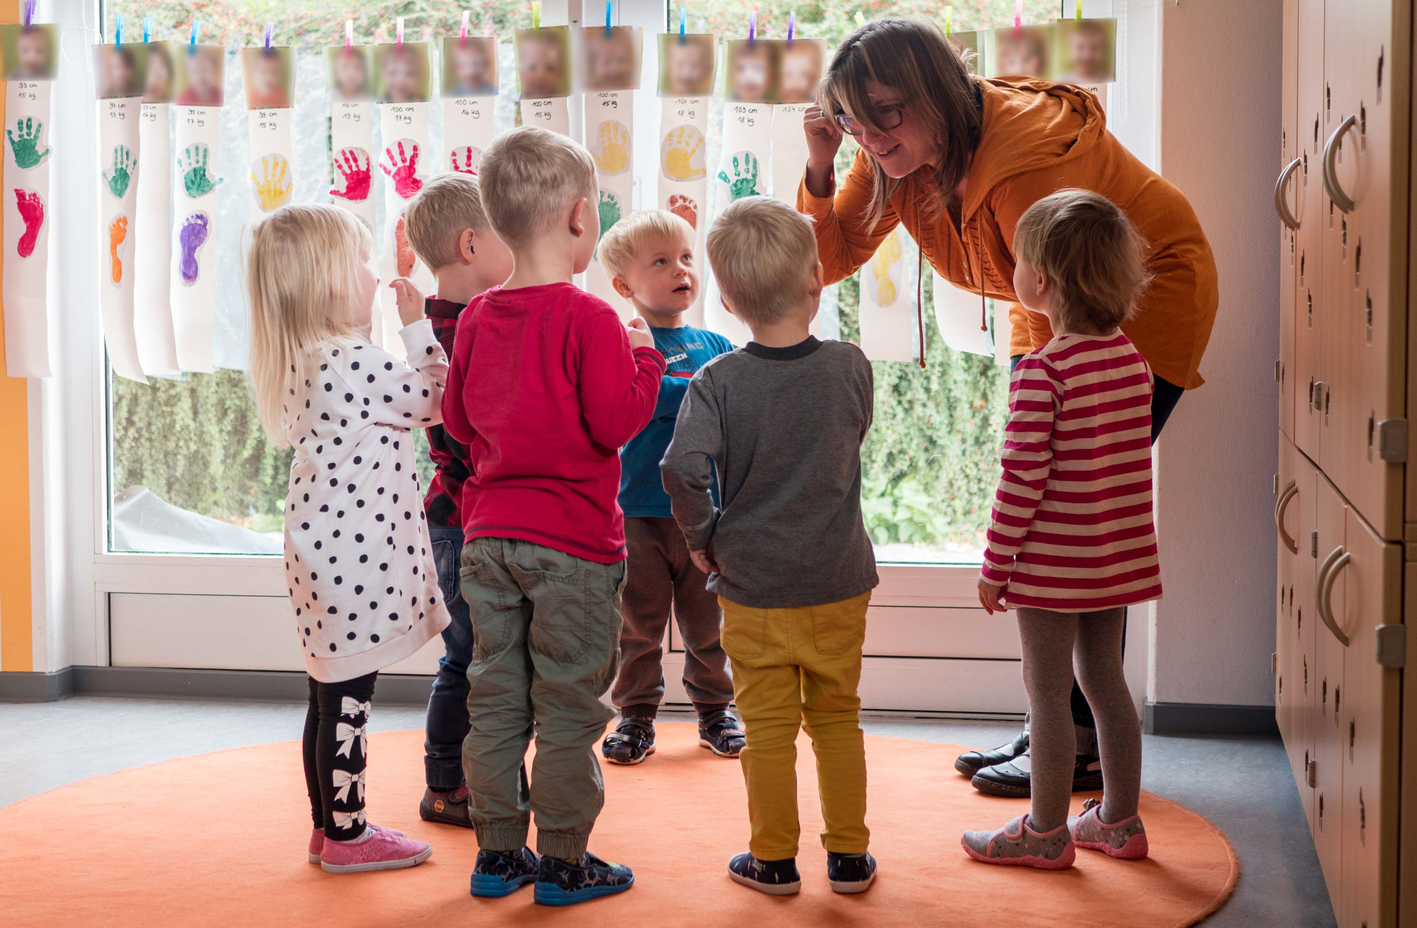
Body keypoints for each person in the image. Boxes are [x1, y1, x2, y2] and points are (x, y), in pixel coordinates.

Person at [800, 16, 1217, 798]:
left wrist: (1044, 375)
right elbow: (828, 258)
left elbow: (1066, 282)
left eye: (884, 110)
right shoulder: (891, 152)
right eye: (853, 117)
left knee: (1071, 510)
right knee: (1059, 500)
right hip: (1050, 306)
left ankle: (1074, 735)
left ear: (930, 92)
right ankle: (1059, 721)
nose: (870, 134)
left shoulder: (1021, 165)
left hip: (1140, 297)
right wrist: (822, 167)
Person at [443, 127, 663, 905]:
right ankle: (564, 862)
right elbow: (614, 423)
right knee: (568, 705)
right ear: (578, 219)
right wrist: (647, 358)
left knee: (496, 696)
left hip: (487, 540)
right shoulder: (594, 319)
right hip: (572, 546)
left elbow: (461, 428)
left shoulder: (475, 318)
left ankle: (498, 857)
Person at [661, 197, 879, 897]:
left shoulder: (717, 381)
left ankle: (773, 862)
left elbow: (681, 468)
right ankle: (848, 858)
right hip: (838, 578)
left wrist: (703, 538)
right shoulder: (849, 366)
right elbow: (848, 442)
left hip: (752, 583)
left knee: (767, 727)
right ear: (817, 279)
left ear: (725, 298)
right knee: (837, 717)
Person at [246, 203, 449, 874]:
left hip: (321, 554)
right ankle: (348, 835)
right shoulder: (354, 361)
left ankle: (327, 826)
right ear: (327, 281)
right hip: (350, 561)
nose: (370, 276)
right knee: (350, 701)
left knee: (328, 691)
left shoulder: (309, 357)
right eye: (359, 263)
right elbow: (439, 398)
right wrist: (417, 323)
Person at [961, 190, 1156, 869]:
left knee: (1046, 692)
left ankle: (1044, 831)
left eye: (1016, 261)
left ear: (1038, 281)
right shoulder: (1131, 362)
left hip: (1051, 565)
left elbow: (1021, 481)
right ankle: (1118, 821)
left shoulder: (1043, 372)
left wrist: (995, 564)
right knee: (1105, 682)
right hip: (1115, 560)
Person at [591, 210, 742, 766]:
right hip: (636, 511)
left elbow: (730, 412)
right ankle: (635, 716)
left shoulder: (717, 343)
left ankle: (714, 711)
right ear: (625, 286)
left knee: (709, 626)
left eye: (684, 257)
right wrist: (695, 394)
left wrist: (686, 393)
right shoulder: (619, 342)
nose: (680, 269)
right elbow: (642, 402)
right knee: (639, 625)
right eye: (661, 262)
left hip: (704, 512)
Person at [397, 173, 515, 828]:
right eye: (508, 236)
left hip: (450, 517)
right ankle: (445, 785)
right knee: (470, 660)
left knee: (469, 659)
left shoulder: (440, 322)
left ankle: (462, 779)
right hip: (465, 519)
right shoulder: (465, 329)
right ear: (472, 244)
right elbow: (465, 431)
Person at [516, 29, 567, 98]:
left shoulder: (565, 100)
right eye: (532, 67)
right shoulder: (518, 103)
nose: (541, 75)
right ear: (520, 72)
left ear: (559, 72)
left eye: (550, 68)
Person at [585, 26, 638, 91]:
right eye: (606, 62)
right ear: (593, 67)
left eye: (621, 59)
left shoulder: (632, 90)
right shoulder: (589, 92)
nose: (614, 68)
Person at [778, 39, 822, 105]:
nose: (795, 81)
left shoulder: (818, 105)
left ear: (816, 77)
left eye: (804, 74)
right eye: (788, 73)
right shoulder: (769, 104)